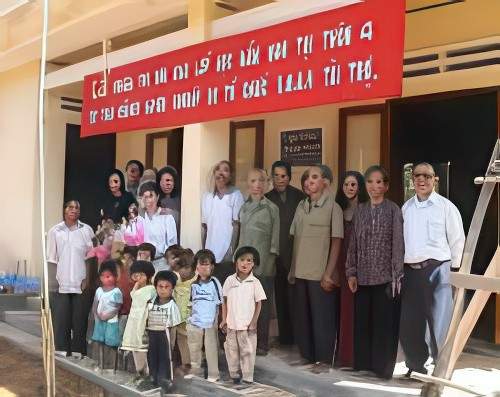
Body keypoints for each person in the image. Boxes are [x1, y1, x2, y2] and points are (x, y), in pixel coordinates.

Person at [400, 162, 465, 376]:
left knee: (439, 322)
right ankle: (415, 365)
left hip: (439, 270)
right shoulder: (406, 208)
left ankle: (441, 368)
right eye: (417, 175)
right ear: (412, 180)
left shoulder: (446, 207)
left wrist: (455, 273)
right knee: (410, 323)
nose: (421, 179)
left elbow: (457, 240)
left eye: (426, 176)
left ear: (434, 179)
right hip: (411, 271)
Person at [346, 166, 404, 379]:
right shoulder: (360, 210)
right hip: (362, 277)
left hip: (386, 278)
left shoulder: (393, 210)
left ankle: (382, 368)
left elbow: (398, 245)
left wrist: (396, 276)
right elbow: (353, 244)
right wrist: (351, 272)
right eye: (370, 182)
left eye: (379, 182)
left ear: (386, 186)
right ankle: (364, 365)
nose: (374, 186)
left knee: (383, 325)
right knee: (363, 323)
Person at [289, 165, 343, 366]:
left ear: (326, 183)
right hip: (301, 271)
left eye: (314, 177)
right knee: (303, 318)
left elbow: (336, 241)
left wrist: (329, 274)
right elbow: (295, 240)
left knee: (323, 319)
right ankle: (307, 356)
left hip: (320, 273)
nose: (308, 181)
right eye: (306, 178)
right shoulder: (301, 206)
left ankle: (323, 359)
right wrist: (293, 270)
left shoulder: (333, 208)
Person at [238, 168, 279, 355]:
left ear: (266, 183)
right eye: (253, 181)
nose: (257, 185)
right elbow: (239, 236)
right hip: (244, 263)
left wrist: (270, 261)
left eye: (261, 181)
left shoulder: (272, 208)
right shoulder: (243, 207)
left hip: (264, 263)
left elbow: (275, 240)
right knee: (244, 304)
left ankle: (262, 343)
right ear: (248, 183)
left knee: (261, 305)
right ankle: (245, 341)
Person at [47, 200, 95, 358]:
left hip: (81, 283)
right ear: (64, 210)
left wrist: (88, 280)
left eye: (77, 208)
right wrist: (52, 285)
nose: (74, 210)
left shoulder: (87, 230)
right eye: (71, 207)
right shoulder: (55, 231)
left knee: (80, 320)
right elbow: (51, 259)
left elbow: (91, 257)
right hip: (60, 284)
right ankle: (61, 350)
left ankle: (78, 352)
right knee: (61, 320)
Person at [265, 160, 305, 346]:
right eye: (276, 176)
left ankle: (299, 336)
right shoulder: (267, 198)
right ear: (272, 177)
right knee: (280, 297)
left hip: (296, 253)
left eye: (284, 176)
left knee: (296, 297)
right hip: (276, 255)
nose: (280, 179)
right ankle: (286, 337)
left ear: (289, 177)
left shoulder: (299, 197)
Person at [334, 171, 368, 368]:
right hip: (340, 262)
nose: (349, 188)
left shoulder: (366, 209)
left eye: (353, 184)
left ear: (360, 187)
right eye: (346, 184)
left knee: (359, 309)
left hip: (360, 264)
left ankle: (358, 356)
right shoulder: (338, 208)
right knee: (344, 309)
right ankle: (345, 355)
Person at [220, 246, 266, 385]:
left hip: (247, 327)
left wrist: (254, 322)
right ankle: (234, 374)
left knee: (248, 352)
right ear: (236, 262)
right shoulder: (229, 280)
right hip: (232, 324)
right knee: (231, 351)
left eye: (249, 261)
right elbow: (225, 301)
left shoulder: (255, 283)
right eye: (242, 260)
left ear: (254, 264)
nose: (245, 263)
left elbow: (259, 304)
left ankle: (247, 378)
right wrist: (224, 320)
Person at [202, 160, 244, 284]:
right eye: (218, 169)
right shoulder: (207, 197)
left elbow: (237, 225)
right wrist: (204, 250)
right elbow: (205, 226)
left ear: (230, 176)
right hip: (210, 252)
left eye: (225, 170)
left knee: (226, 290)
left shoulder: (235, 195)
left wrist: (232, 250)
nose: (221, 173)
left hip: (227, 252)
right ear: (214, 173)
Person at [187, 249, 223, 382]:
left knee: (211, 347)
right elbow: (191, 302)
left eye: (206, 264)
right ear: (196, 266)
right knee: (194, 346)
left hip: (210, 321)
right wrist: (190, 318)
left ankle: (214, 374)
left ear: (212, 266)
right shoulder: (194, 284)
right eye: (200, 264)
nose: (203, 267)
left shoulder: (215, 283)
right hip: (196, 320)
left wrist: (220, 320)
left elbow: (221, 302)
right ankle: (196, 371)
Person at [120, 260, 157, 379]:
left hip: (143, 324)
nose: (138, 278)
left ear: (148, 276)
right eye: (135, 275)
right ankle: (140, 375)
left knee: (142, 350)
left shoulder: (151, 289)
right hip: (134, 323)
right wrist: (137, 284)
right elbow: (134, 295)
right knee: (135, 349)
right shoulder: (135, 290)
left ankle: (146, 377)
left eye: (141, 275)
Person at [146, 270, 181, 391]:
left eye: (167, 287)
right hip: (151, 334)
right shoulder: (150, 303)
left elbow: (173, 327)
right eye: (160, 286)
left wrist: (171, 343)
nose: (163, 290)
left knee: (164, 358)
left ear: (172, 289)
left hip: (164, 335)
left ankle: (163, 379)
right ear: (155, 287)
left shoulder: (172, 305)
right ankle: (152, 378)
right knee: (152, 356)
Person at [139, 181, 177, 272]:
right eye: (145, 197)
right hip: (144, 264)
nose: (148, 200)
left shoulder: (167, 217)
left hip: (163, 264)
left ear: (158, 196)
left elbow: (173, 245)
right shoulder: (140, 219)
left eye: (151, 196)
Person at [171, 251, 197, 371]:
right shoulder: (175, 279)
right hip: (179, 319)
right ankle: (186, 365)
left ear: (193, 268)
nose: (183, 271)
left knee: (193, 344)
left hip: (192, 320)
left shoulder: (197, 281)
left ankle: (195, 367)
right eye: (180, 267)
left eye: (186, 267)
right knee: (182, 341)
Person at [91, 260, 123, 351]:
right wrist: (97, 317)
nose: (106, 279)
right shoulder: (99, 290)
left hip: (111, 321)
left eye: (108, 276)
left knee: (110, 343)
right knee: (99, 341)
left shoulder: (116, 292)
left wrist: (108, 316)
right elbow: (95, 305)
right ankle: (100, 363)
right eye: (103, 276)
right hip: (99, 320)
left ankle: (110, 364)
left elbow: (117, 307)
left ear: (115, 277)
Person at [157, 166, 181, 234]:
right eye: (164, 181)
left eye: (170, 180)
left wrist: (173, 214)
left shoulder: (180, 200)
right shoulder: (154, 198)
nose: (167, 184)